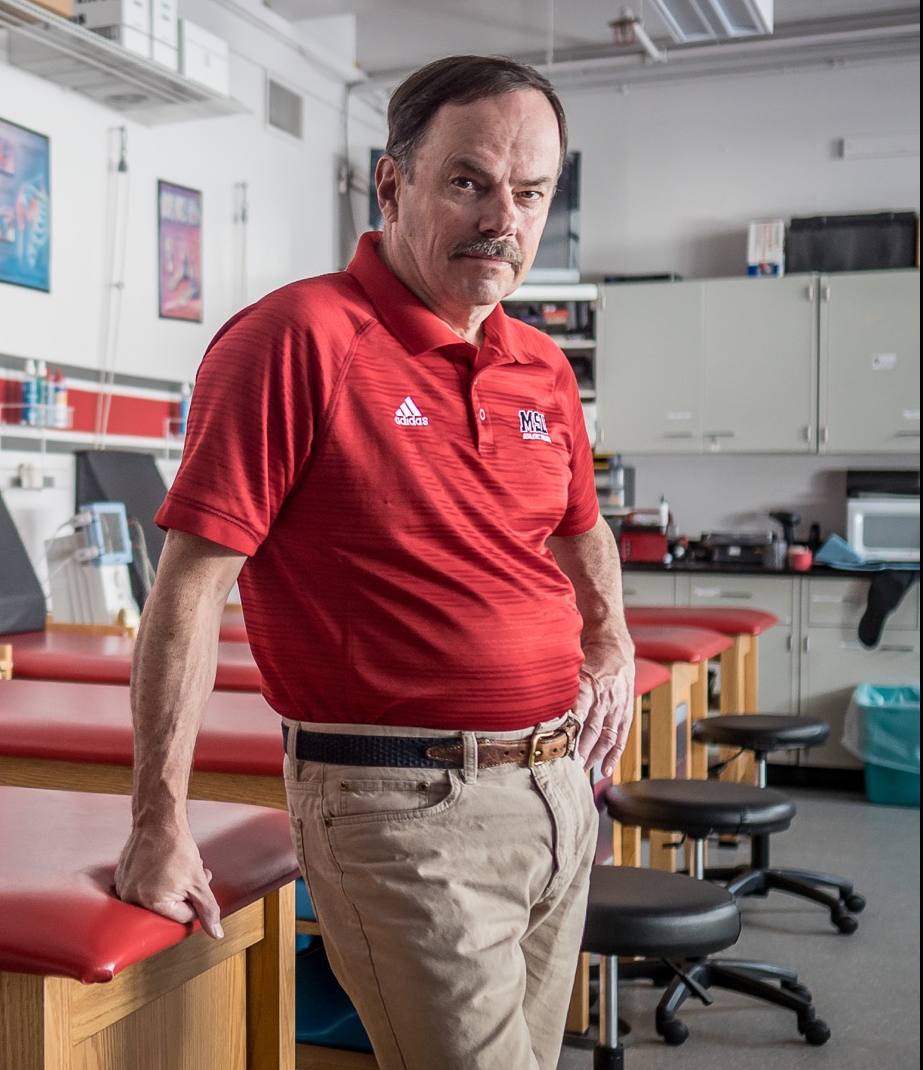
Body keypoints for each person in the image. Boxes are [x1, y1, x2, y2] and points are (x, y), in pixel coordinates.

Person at [114, 55, 635, 1070]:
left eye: (531, 193)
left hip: (556, 794)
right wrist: (156, 820)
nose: (504, 218)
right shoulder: (293, 340)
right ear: (392, 184)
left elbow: (583, 528)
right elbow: (188, 591)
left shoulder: (541, 366)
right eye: (469, 182)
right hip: (403, 812)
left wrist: (608, 640)